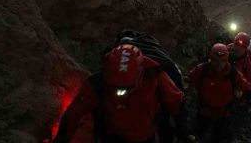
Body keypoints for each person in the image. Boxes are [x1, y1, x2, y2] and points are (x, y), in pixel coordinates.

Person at [53, 44, 194, 143]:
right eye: (115, 87)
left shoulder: (154, 76)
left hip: (144, 137)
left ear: (140, 74)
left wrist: (186, 131)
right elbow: (74, 114)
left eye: (126, 88)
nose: (120, 93)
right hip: (113, 135)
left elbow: (175, 102)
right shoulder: (99, 82)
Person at [189, 43, 251, 143]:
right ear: (211, 59)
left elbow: (246, 87)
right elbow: (189, 79)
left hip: (224, 114)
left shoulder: (233, 73)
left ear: (227, 60)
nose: (219, 64)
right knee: (197, 136)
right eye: (215, 61)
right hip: (204, 111)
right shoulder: (202, 69)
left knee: (219, 138)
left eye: (222, 61)